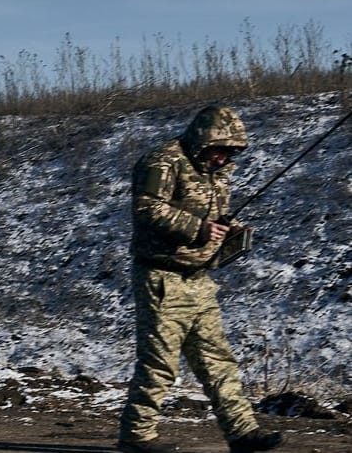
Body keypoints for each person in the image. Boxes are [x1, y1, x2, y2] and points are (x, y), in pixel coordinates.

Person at [117, 105, 283, 453]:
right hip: (162, 278)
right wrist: (199, 228)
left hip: (200, 280)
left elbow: (211, 214)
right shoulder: (162, 161)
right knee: (160, 362)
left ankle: (242, 433)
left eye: (231, 153)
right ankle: (137, 437)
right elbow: (147, 207)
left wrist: (228, 231)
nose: (224, 159)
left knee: (217, 359)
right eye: (220, 150)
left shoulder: (217, 173)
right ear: (203, 141)